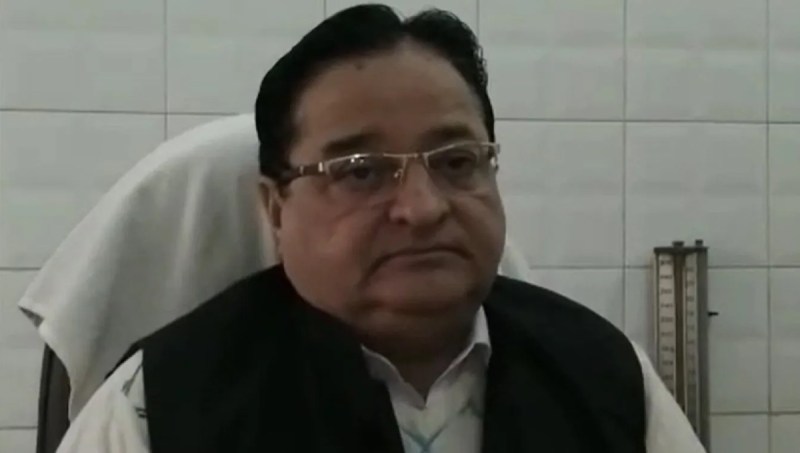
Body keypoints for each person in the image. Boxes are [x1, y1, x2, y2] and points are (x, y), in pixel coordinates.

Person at [56, 4, 706, 453]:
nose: (422, 207)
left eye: (456, 162)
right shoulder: (157, 406)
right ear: (276, 210)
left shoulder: (605, 376)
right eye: (360, 171)